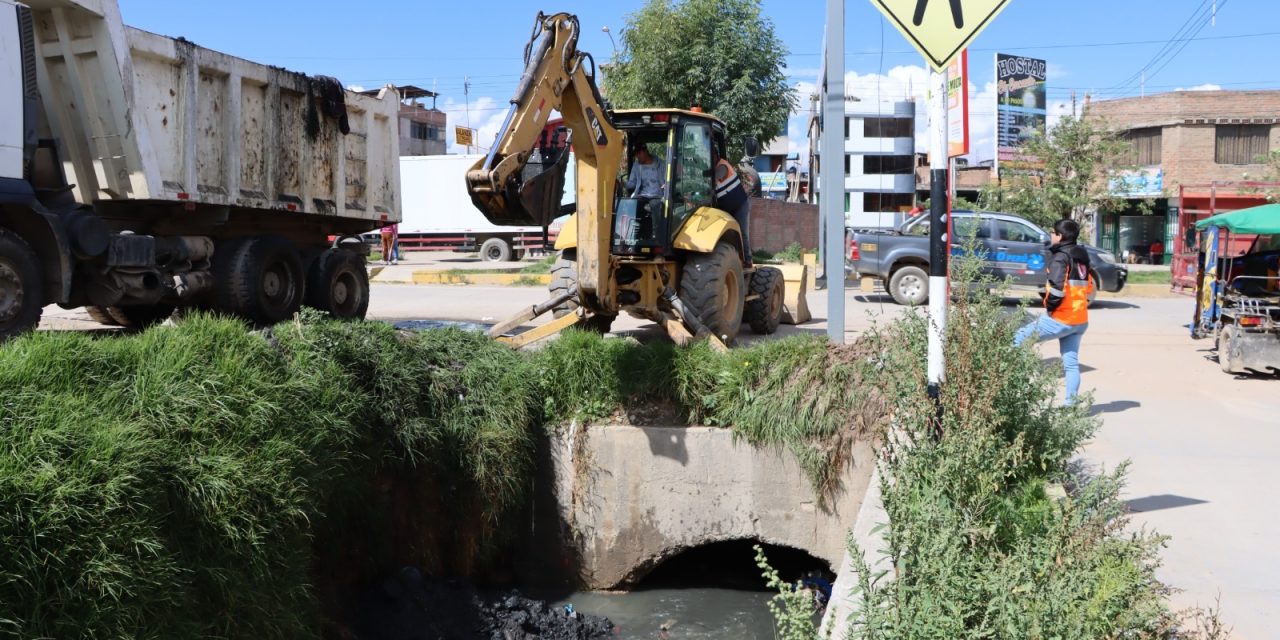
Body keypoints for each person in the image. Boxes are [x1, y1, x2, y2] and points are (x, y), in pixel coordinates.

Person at [1014, 218, 1094, 404]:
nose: (1050, 234)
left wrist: (1050, 307)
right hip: (1080, 320)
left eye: (1053, 232)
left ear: (1060, 236)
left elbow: (1057, 289)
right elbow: (1088, 289)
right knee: (1071, 364)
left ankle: (1019, 389)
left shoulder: (1060, 257)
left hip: (1061, 318)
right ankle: (1069, 407)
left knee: (1018, 339)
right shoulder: (1082, 256)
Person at [714, 153, 751, 265]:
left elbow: (712, 180)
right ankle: (735, 260)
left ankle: (748, 260)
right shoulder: (716, 167)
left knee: (742, 232)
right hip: (728, 207)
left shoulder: (722, 166)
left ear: (715, 156)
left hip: (740, 205)